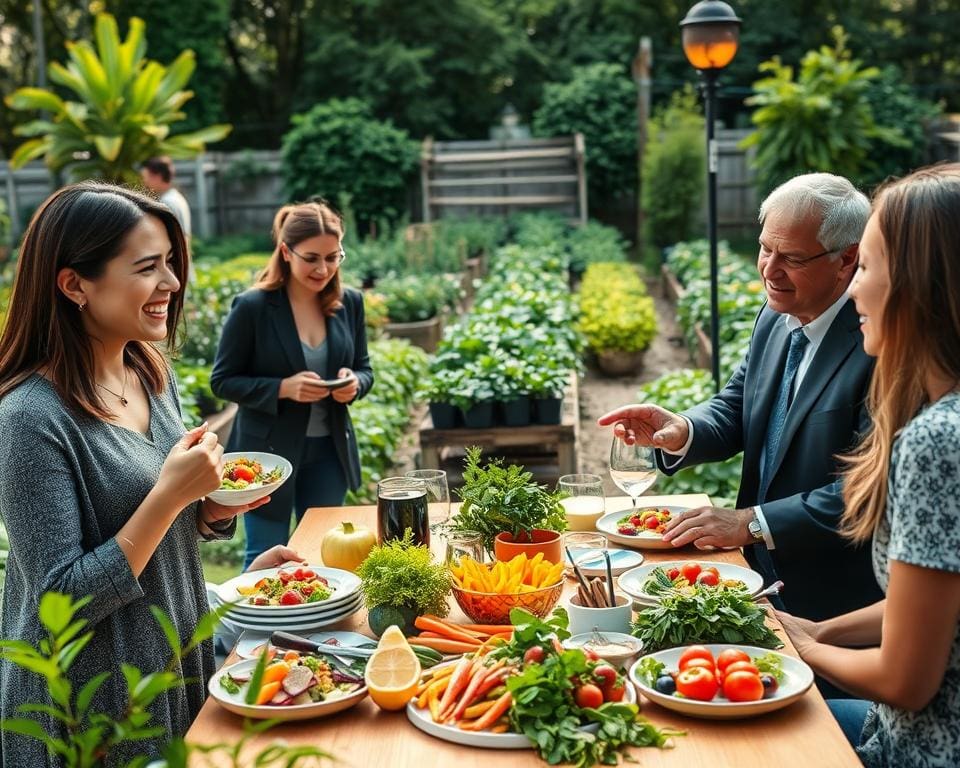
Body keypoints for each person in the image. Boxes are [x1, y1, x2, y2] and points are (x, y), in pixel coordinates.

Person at [0, 182, 267, 767]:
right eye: (148, 267)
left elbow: (157, 517)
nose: (172, 283)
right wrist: (171, 498)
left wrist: (210, 510)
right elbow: (59, 603)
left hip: (174, 664)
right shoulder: (28, 417)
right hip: (94, 704)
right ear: (74, 285)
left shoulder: (150, 372)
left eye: (170, 263)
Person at [598, 173, 883, 622]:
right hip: (756, 576)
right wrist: (682, 430)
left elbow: (869, 488)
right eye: (765, 248)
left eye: (790, 257)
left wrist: (752, 523)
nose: (769, 270)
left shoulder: (876, 340)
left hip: (834, 602)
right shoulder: (774, 314)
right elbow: (738, 403)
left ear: (847, 259)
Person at [777, 164, 960, 767]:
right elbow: (933, 600)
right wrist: (818, 631)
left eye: (867, 267)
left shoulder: (938, 441)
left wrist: (792, 650)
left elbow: (906, 682)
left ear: (920, 285)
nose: (854, 288)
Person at [211, 199, 373, 569]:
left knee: (328, 557)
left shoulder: (350, 303)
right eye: (312, 258)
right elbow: (222, 381)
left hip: (330, 452)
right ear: (286, 252)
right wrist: (283, 388)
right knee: (267, 557)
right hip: (268, 456)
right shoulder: (252, 307)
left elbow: (364, 368)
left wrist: (355, 383)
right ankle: (254, 629)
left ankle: (318, 629)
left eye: (334, 257)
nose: (324, 268)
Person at [141, 156, 192, 239]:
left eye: (146, 178)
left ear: (157, 177)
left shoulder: (167, 203)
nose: (144, 183)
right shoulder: (176, 197)